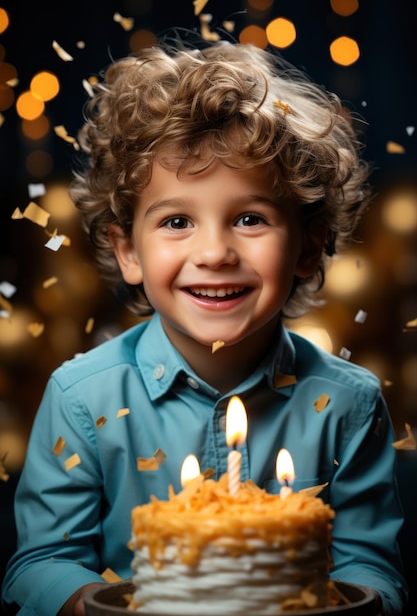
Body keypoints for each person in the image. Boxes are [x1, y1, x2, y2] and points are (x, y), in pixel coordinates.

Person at [2, 39, 407, 616]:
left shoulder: (351, 405)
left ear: (309, 246)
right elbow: (39, 566)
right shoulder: (80, 399)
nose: (214, 252)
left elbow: (369, 566)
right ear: (129, 253)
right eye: (176, 221)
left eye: (249, 218)